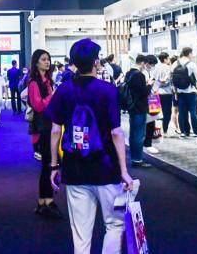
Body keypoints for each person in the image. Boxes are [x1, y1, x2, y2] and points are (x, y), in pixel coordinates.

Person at [48, 39, 134, 254]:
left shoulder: (64, 90)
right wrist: (124, 170)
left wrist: (54, 165)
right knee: (114, 224)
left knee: (80, 232)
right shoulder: (108, 90)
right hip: (106, 167)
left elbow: (55, 130)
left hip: (74, 168)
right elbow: (116, 132)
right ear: (96, 62)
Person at [28, 49, 62, 218]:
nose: (47, 62)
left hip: (50, 125)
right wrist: (52, 96)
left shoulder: (48, 81)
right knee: (48, 164)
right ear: (36, 62)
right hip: (42, 129)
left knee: (48, 164)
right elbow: (38, 105)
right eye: (43, 59)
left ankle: (43, 201)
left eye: (48, 59)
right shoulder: (34, 83)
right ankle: (47, 201)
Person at [124, 54, 152, 169]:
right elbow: (143, 92)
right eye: (145, 64)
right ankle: (137, 159)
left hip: (131, 107)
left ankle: (134, 157)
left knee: (133, 134)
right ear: (142, 63)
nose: (145, 67)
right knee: (139, 135)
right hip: (139, 108)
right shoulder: (139, 75)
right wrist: (149, 85)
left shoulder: (129, 73)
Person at [173, 47, 197, 138]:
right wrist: (193, 82)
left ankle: (184, 131)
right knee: (193, 112)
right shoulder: (191, 64)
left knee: (182, 112)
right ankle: (196, 132)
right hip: (191, 91)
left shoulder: (175, 63)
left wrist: (175, 90)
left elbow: (172, 78)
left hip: (179, 92)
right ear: (189, 54)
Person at [153, 52, 175, 138]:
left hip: (156, 92)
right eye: (168, 58)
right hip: (166, 93)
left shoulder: (156, 68)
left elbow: (154, 80)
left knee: (156, 113)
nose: (169, 60)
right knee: (167, 112)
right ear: (165, 59)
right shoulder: (168, 68)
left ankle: (156, 131)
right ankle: (164, 131)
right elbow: (167, 81)